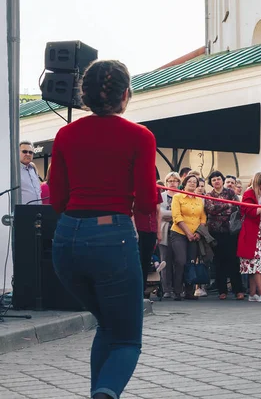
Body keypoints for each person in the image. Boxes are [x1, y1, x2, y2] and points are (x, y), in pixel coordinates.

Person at [49, 60, 157, 399]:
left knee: (108, 326)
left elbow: (57, 199)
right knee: (126, 339)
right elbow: (144, 203)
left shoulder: (65, 134)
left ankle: (101, 392)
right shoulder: (140, 136)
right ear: (126, 94)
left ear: (85, 96)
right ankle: (105, 394)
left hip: (66, 240)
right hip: (112, 237)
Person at [205, 171, 245, 300]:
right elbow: (210, 209)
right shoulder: (209, 195)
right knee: (219, 261)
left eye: (218, 179)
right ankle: (222, 290)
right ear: (211, 183)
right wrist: (227, 205)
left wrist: (219, 207)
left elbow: (236, 207)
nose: (216, 181)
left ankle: (238, 289)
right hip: (215, 232)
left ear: (222, 180)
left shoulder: (231, 193)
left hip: (231, 231)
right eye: (213, 180)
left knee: (233, 260)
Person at [170, 174, 207, 301]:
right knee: (180, 261)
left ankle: (189, 291)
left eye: (194, 182)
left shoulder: (199, 199)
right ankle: (177, 291)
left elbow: (203, 218)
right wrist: (188, 233)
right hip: (179, 233)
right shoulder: (177, 197)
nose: (192, 183)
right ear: (184, 183)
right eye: (189, 181)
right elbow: (177, 216)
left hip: (195, 234)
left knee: (191, 262)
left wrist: (198, 232)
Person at [238, 172, 261, 302]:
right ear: (258, 182)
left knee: (256, 265)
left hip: (260, 232)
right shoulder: (248, 194)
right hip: (251, 234)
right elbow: (251, 212)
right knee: (256, 265)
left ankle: (252, 294)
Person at [158, 172, 181, 298]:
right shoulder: (161, 196)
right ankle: (166, 288)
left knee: (179, 260)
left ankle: (178, 287)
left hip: (180, 230)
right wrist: (177, 214)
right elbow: (161, 213)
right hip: (164, 230)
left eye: (175, 180)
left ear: (179, 182)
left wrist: (173, 214)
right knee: (165, 260)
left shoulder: (183, 196)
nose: (172, 183)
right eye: (169, 181)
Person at [19, 140, 42, 205]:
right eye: (24, 151)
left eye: (30, 152)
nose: (28, 154)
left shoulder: (33, 168)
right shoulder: (14, 171)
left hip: (38, 211)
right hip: (23, 212)